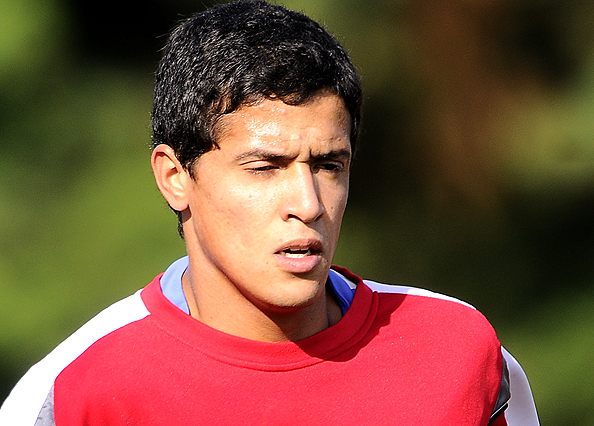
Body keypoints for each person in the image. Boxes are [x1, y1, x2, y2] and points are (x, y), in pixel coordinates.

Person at [0, 1, 540, 425]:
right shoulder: (77, 389)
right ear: (174, 177)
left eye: (329, 166)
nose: (308, 204)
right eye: (264, 167)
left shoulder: (456, 350)